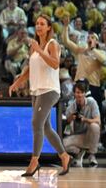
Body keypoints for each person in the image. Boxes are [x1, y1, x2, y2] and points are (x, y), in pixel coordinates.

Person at [9, 14, 70, 176]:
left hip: (49, 90)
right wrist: (18, 82)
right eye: (36, 23)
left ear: (49, 27)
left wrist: (39, 50)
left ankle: (34, 161)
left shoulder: (52, 44)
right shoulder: (34, 45)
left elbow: (55, 64)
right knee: (46, 127)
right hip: (36, 90)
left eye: (42, 24)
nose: (38, 26)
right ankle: (64, 156)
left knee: (36, 124)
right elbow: (30, 69)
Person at [64, 81, 100, 167]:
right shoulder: (70, 107)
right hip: (77, 136)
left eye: (81, 92)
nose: (79, 95)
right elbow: (67, 130)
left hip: (89, 135)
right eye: (77, 92)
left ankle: (92, 155)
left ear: (84, 93)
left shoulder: (92, 102)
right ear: (74, 94)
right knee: (61, 145)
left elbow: (98, 120)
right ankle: (79, 152)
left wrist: (85, 119)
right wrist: (69, 119)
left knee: (95, 126)